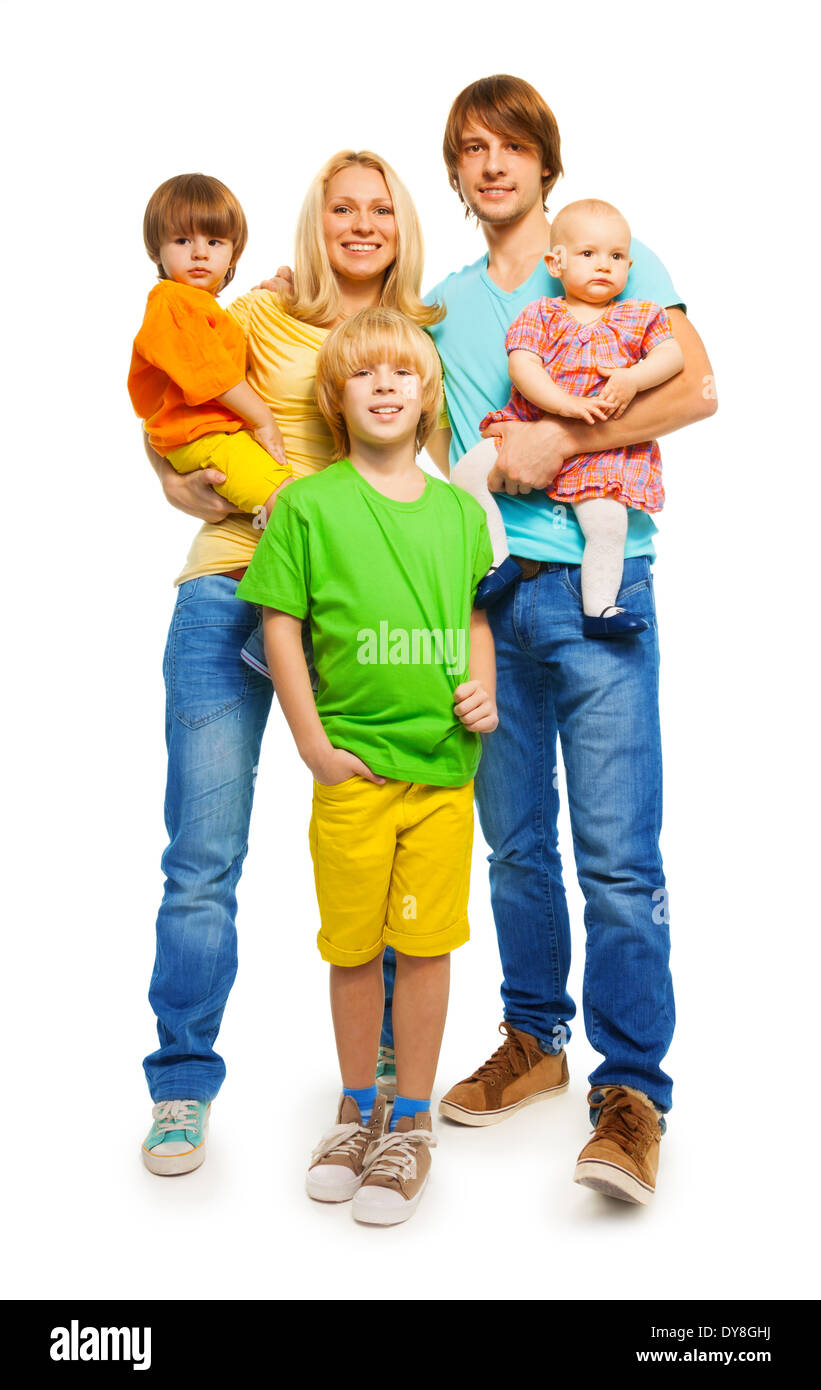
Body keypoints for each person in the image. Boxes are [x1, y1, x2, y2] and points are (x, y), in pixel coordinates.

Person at [421, 74, 717, 1205]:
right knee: (512, 846)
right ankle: (534, 1039)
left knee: (619, 858)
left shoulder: (614, 253)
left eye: (511, 147)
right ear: (455, 174)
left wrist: (552, 442)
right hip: (493, 595)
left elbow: (694, 390)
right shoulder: (445, 302)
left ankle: (630, 1092)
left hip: (603, 594)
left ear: (545, 162)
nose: (490, 165)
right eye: (468, 150)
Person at [139, 151, 442, 1177]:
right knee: (203, 855)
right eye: (339, 209)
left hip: (354, 623)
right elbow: (169, 417)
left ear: (402, 226)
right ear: (314, 223)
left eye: (378, 211)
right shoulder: (256, 314)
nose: (359, 225)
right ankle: (181, 1084)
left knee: (388, 832)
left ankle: (391, 1055)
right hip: (230, 588)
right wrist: (195, 488)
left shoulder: (417, 335)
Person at [234, 306, 496, 1224]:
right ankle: (355, 1110)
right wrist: (312, 746)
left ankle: (411, 1121)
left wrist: (484, 692)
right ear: (337, 399)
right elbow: (280, 627)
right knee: (351, 949)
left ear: (427, 396)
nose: (385, 385)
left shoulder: (464, 514)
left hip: (440, 779)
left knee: (424, 947)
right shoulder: (308, 506)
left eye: (402, 373)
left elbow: (471, 620)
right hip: (355, 779)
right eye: (364, 374)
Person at [458, 198, 685, 634]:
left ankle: (599, 608)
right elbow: (522, 366)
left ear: (630, 264)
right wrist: (564, 406)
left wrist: (634, 378)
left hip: (599, 450)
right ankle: (498, 562)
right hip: (526, 428)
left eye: (616, 256)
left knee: (607, 523)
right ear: (555, 262)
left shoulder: (638, 315)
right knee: (467, 476)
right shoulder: (541, 314)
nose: (603, 266)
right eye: (588, 254)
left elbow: (672, 355)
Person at [129, 173, 292, 526]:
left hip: (214, 438)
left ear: (234, 253)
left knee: (289, 499)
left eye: (215, 241)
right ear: (157, 248)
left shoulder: (203, 308)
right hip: (207, 438)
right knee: (290, 504)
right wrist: (262, 420)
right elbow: (214, 375)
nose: (200, 252)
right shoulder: (171, 302)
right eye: (183, 239)